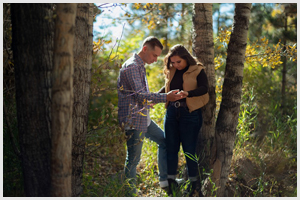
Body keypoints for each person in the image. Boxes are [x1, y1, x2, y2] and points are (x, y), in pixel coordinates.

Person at [117, 36, 183, 196]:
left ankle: (164, 181)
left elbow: (138, 96)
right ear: (145, 49)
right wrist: (166, 97)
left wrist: (148, 102)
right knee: (133, 161)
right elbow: (140, 96)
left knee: (164, 141)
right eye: (154, 55)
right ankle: (130, 194)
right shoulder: (132, 66)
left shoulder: (140, 66)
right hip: (133, 121)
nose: (155, 59)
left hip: (142, 119)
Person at [160, 44, 209, 196]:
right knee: (171, 148)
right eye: (173, 62)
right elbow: (167, 88)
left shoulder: (198, 70)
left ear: (186, 58)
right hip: (172, 113)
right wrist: (155, 96)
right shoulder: (172, 71)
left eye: (178, 62)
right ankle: (171, 185)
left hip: (190, 113)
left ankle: (194, 187)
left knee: (189, 150)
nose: (175, 65)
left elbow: (204, 88)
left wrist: (188, 93)